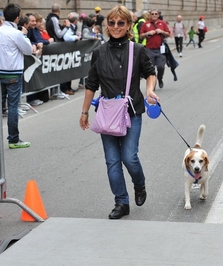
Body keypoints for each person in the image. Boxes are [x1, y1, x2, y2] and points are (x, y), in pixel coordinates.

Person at [80, 5, 159, 219]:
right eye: (112, 23)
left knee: (129, 157)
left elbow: (150, 73)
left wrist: (150, 90)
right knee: (112, 161)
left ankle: (139, 184)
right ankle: (121, 202)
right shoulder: (99, 52)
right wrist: (85, 112)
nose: (115, 27)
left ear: (128, 26)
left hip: (132, 111)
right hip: (108, 114)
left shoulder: (137, 50)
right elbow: (91, 84)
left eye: (120, 23)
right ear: (107, 25)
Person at [0, 3, 36, 149]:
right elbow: (28, 50)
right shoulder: (16, 33)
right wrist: (25, 35)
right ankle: (13, 139)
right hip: (13, 72)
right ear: (17, 18)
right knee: (13, 106)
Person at [139, 8, 170, 89]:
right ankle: (153, 83)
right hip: (149, 50)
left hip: (160, 49)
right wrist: (147, 33)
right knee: (151, 68)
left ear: (158, 15)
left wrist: (162, 32)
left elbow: (168, 34)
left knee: (161, 67)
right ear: (150, 15)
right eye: (152, 14)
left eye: (156, 14)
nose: (154, 15)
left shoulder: (162, 23)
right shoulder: (146, 24)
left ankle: (160, 78)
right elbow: (141, 36)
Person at [45, 3, 71, 99]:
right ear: (59, 11)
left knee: (56, 69)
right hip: (56, 47)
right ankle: (56, 91)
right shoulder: (54, 19)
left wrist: (62, 26)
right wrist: (67, 27)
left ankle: (56, 90)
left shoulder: (49, 18)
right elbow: (59, 35)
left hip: (54, 46)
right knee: (57, 69)